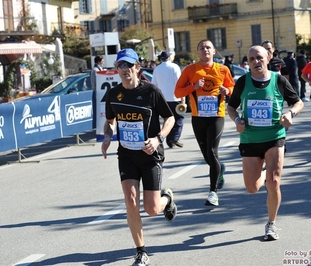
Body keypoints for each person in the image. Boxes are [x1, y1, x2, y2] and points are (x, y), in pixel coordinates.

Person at [101, 48, 177, 266]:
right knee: (131, 201)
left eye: (128, 65)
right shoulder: (114, 94)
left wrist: (158, 139)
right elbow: (111, 121)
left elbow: (170, 118)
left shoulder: (151, 91)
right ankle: (141, 251)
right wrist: (107, 136)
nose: (124, 69)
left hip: (150, 155)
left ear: (137, 68)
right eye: (120, 65)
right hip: (126, 154)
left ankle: (167, 199)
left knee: (152, 209)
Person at [227, 45, 304, 241]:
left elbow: (298, 102)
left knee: (274, 182)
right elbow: (231, 107)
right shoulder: (243, 81)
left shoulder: (278, 80)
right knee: (252, 188)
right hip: (250, 139)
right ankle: (263, 174)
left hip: (274, 136)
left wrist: (290, 113)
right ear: (248, 62)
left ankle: (271, 224)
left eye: (259, 58)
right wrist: (237, 121)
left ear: (268, 58)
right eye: (251, 59)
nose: (255, 62)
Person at [174, 39, 235, 206]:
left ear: (214, 51)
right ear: (197, 52)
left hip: (216, 115)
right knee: (207, 155)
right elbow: (177, 90)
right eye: (202, 48)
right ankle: (219, 168)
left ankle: (213, 192)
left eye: (208, 47)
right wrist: (192, 87)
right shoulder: (190, 70)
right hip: (198, 117)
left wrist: (227, 90)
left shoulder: (223, 69)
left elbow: (233, 88)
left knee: (212, 150)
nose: (205, 50)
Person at [151, 51, 184, 148]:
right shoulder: (174, 67)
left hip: (162, 99)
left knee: (167, 119)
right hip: (175, 97)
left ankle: (169, 140)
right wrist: (183, 98)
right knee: (179, 118)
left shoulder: (157, 68)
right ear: (169, 57)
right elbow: (179, 83)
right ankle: (174, 138)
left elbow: (154, 85)